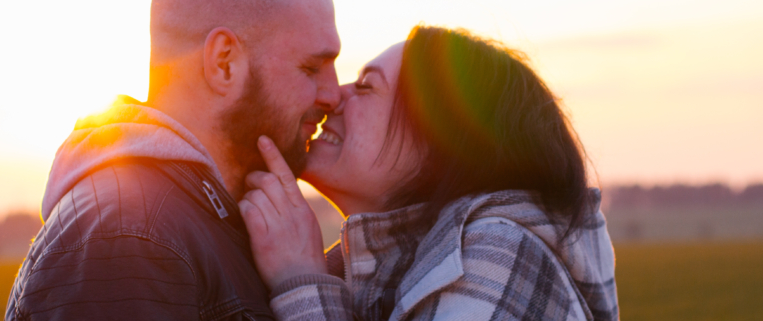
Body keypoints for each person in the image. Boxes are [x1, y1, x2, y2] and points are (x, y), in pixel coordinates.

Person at [239, 26, 619, 320]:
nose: (334, 96)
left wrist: (302, 284)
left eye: (367, 87)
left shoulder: (500, 255)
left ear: (441, 137)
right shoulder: (403, 267)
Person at [5, 0, 341, 320]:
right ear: (224, 63)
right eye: (311, 68)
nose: (334, 94)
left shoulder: (203, 223)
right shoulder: (129, 240)